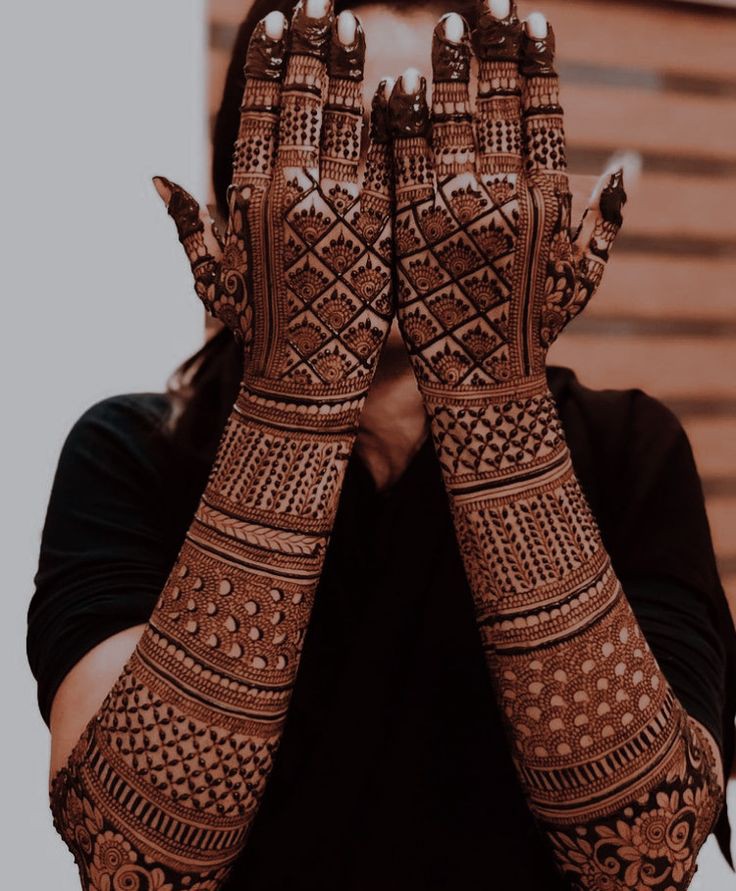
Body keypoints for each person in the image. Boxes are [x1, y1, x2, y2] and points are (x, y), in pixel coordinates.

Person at [27, 0, 736, 888]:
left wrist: (490, 396)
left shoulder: (630, 454)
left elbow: (645, 859)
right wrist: (297, 393)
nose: (403, 198)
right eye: (349, 143)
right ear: (246, 185)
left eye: (440, 140)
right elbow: (135, 862)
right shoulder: (131, 454)